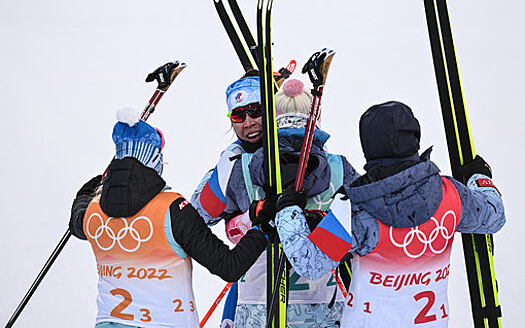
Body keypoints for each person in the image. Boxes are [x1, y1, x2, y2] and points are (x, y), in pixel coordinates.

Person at [272, 100, 506, 327]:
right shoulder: (450, 194)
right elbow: (494, 216)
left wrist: (287, 209)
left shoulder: (352, 209)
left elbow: (310, 262)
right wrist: (480, 177)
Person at [68, 108, 268, 328]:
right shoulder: (173, 210)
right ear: (153, 159)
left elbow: (78, 212)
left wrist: (100, 182)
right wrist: (261, 226)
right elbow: (230, 266)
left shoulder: (91, 212)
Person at [194, 76, 360, 327]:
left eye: (256, 111)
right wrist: (248, 219)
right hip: (314, 303)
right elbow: (199, 217)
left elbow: (196, 217)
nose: (248, 122)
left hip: (263, 304)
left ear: (272, 114)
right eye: (238, 115)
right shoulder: (335, 166)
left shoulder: (239, 167)